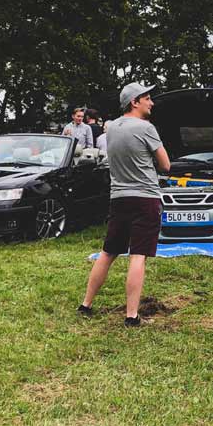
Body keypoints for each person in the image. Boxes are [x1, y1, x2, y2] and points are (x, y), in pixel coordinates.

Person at [78, 83, 170, 325]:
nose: (152, 103)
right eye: (147, 98)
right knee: (137, 256)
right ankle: (132, 316)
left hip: (118, 197)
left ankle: (86, 304)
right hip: (145, 198)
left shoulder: (112, 127)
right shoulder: (146, 128)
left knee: (108, 252)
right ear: (135, 102)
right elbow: (166, 165)